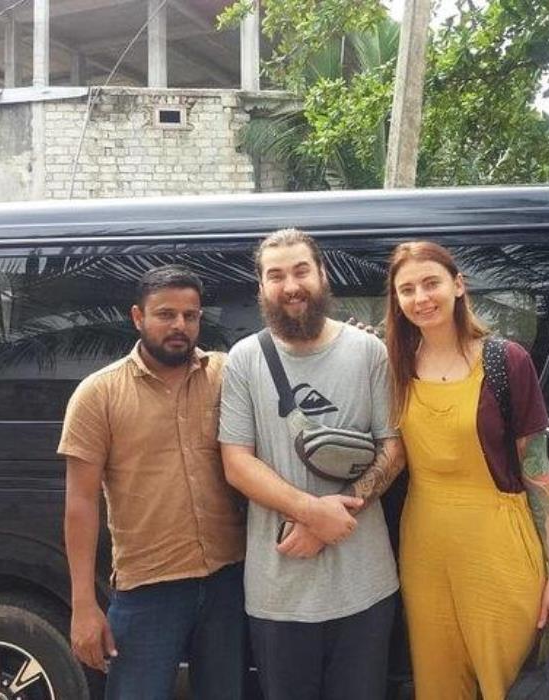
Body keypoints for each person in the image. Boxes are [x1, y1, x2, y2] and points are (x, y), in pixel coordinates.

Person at [384, 241, 549, 699]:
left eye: (431, 283)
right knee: (438, 682)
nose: (420, 298)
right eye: (407, 289)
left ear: (457, 285)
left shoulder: (505, 361)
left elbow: (538, 475)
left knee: (506, 682)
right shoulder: (394, 366)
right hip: (424, 548)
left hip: (499, 545)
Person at [219, 228, 405, 700]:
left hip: (365, 587)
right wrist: (311, 512)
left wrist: (336, 516)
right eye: (276, 275)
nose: (291, 286)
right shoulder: (244, 359)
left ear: (322, 274)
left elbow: (394, 447)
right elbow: (237, 462)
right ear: (261, 287)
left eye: (301, 270)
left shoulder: (369, 352)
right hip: (278, 593)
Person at [58, 265, 246, 700]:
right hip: (148, 589)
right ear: (138, 317)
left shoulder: (226, 375)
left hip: (227, 580)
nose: (180, 325)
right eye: (166, 314)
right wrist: (83, 605)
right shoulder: (99, 394)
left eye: (190, 315)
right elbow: (81, 502)